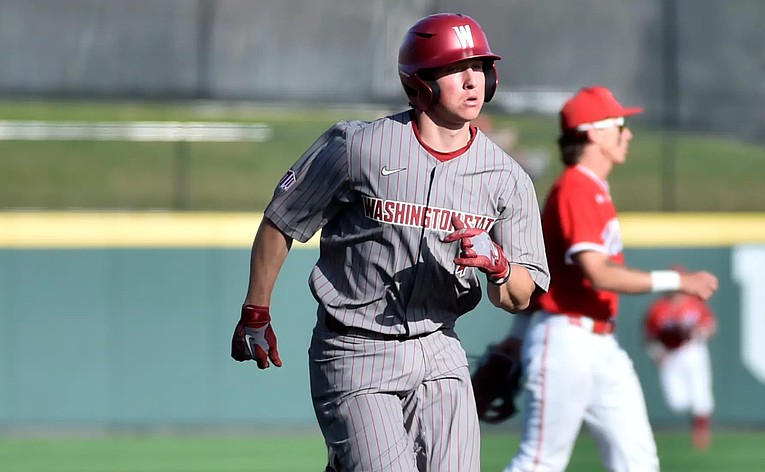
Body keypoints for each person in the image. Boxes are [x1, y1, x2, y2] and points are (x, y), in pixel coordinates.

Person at [229, 12, 549, 472]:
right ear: (420, 83)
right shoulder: (358, 146)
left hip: (440, 349)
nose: (472, 80)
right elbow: (282, 220)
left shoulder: (507, 178)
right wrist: (256, 309)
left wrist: (498, 265)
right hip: (357, 349)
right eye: (454, 69)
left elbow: (519, 297)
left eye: (479, 67)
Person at [493, 85, 719, 472]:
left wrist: (514, 343)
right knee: (541, 461)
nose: (627, 133)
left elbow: (552, 274)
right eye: (620, 125)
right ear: (594, 132)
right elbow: (597, 273)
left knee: (639, 462)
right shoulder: (575, 187)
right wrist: (678, 283)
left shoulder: (591, 189)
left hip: (598, 342)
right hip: (567, 339)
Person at [643, 266, 717, 450]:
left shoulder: (695, 303)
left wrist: (702, 333)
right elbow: (649, 336)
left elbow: (710, 325)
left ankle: (701, 433)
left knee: (701, 392)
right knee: (677, 401)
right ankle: (696, 421)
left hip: (692, 350)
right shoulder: (658, 308)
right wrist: (657, 353)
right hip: (670, 354)